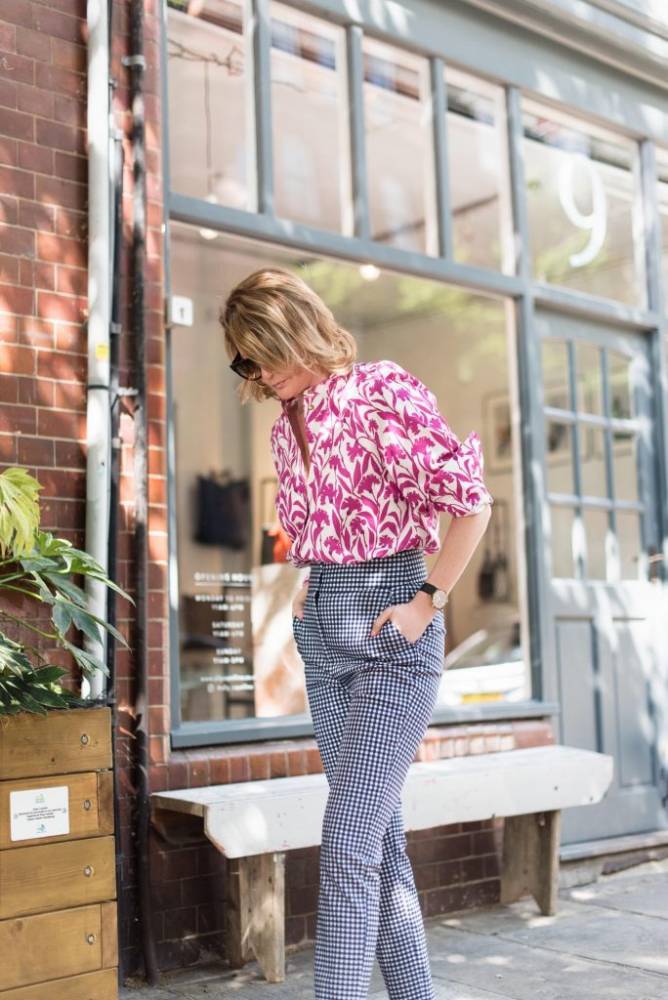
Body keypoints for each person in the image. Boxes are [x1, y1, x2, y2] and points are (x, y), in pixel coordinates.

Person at [220, 267, 494, 1000]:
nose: (257, 373)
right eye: (244, 362)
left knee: (346, 844)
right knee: (380, 844)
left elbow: (471, 505)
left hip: (390, 641)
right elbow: (319, 534)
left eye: (261, 353)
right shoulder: (286, 427)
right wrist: (309, 590)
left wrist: (427, 600)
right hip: (324, 639)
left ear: (297, 330)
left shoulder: (381, 390)